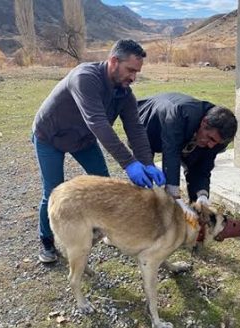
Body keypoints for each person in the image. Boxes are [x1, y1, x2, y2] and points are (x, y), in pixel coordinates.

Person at [32, 39, 165, 263]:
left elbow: (136, 129)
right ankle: (46, 242)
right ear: (114, 61)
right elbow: (98, 123)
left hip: (83, 140)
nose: (133, 77)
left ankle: (104, 230)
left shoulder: (124, 94)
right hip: (50, 136)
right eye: (130, 70)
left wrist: (147, 162)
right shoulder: (85, 78)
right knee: (53, 190)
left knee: (104, 184)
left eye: (137, 72)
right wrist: (129, 163)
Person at [137, 92, 237, 210]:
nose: (211, 145)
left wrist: (202, 196)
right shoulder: (180, 114)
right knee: (144, 178)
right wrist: (173, 194)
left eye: (216, 142)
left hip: (183, 132)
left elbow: (201, 167)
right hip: (147, 126)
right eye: (211, 139)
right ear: (204, 122)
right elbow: (171, 154)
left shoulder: (216, 138)